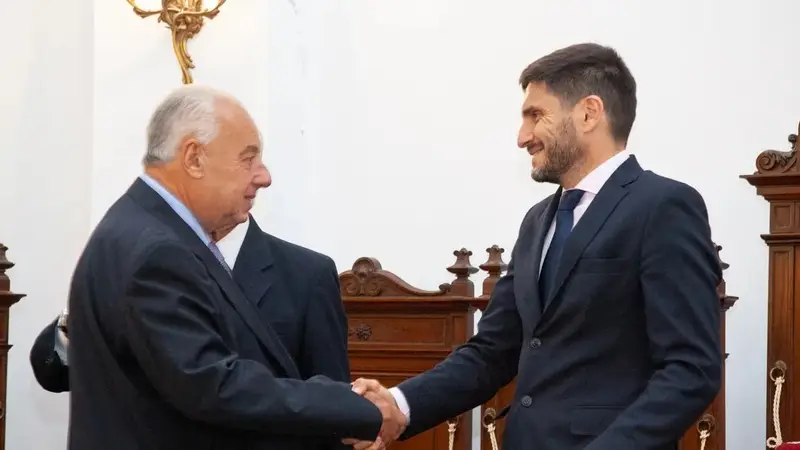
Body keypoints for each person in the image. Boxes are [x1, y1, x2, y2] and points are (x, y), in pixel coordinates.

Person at [348, 43, 723, 450]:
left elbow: (690, 369)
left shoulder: (663, 206)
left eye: (535, 115)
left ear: (588, 113)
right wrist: (400, 405)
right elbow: (492, 351)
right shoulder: (537, 222)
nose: (522, 137)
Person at [66, 85, 404, 450]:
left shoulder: (133, 226)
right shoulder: (157, 250)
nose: (264, 176)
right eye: (248, 158)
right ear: (194, 158)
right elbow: (213, 385)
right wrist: (356, 407)